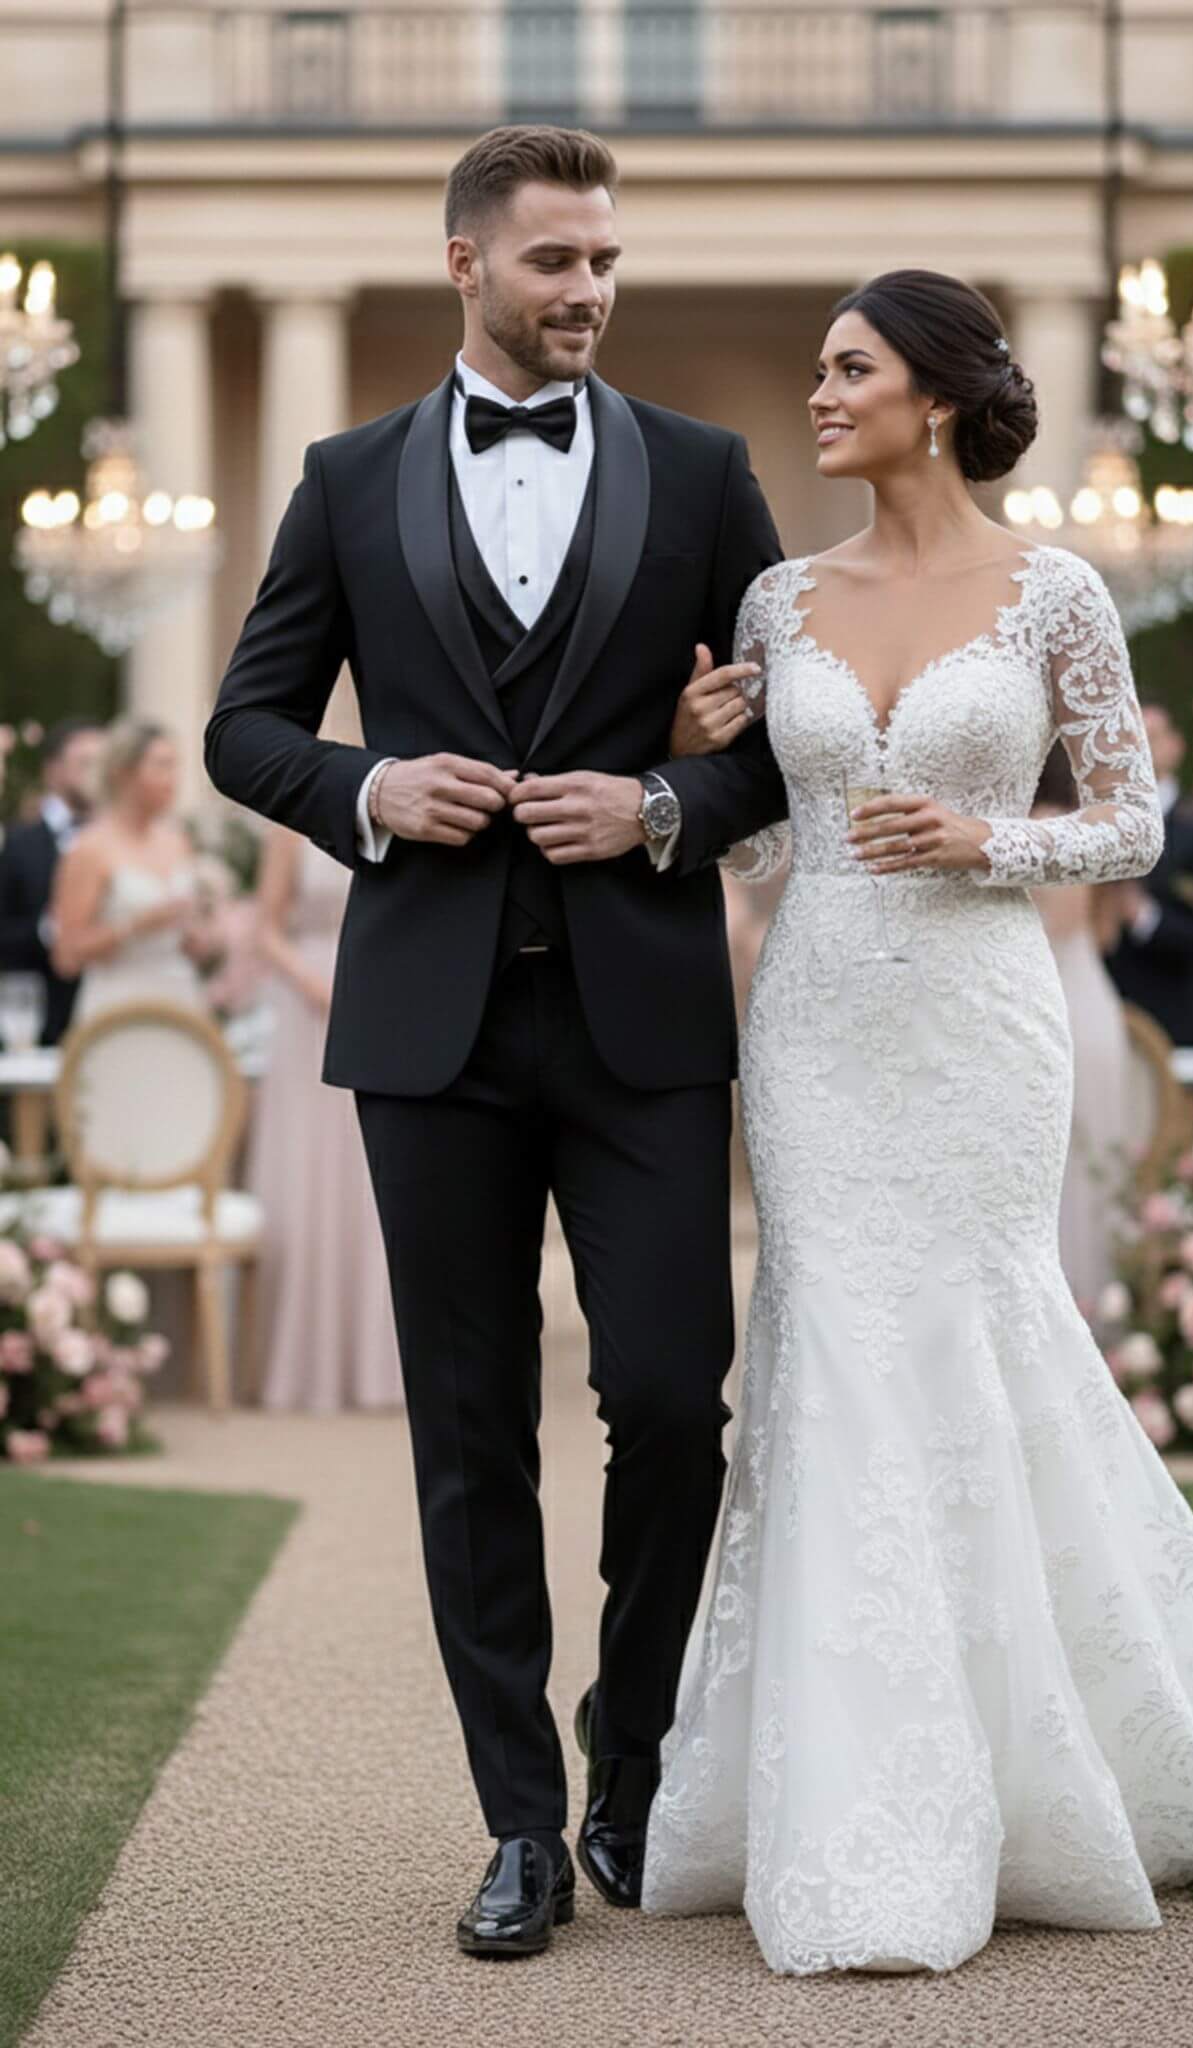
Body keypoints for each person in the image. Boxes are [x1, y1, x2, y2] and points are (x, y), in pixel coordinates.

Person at [642, 270, 1193, 1975]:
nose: (819, 396)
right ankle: (838, 1789)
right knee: (829, 1345)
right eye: (817, 368)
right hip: (816, 1022)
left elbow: (1131, 819)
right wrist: (698, 755)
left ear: (940, 395)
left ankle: (1039, 1761)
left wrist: (993, 848)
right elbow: (762, 856)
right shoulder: (775, 597)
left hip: (978, 1025)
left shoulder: (1056, 593)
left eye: (849, 369)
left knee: (977, 1340)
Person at [204, 125, 786, 1957]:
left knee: (673, 1402)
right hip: (426, 1022)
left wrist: (668, 808)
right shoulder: (347, 476)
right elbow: (245, 726)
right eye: (556, 263)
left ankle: (631, 1748)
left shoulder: (704, 474)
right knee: (468, 1433)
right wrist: (369, 783)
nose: (591, 292)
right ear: (467, 262)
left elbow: (787, 742)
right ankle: (522, 1821)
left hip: (643, 1022)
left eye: (606, 260)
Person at [244, 683, 404, 1412]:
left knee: (372, 1187)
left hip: (378, 994)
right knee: (306, 1182)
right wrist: (311, 982)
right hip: (306, 1006)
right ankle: (299, 1367)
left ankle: (378, 1366)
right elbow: (264, 927)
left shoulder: (405, 814)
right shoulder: (289, 828)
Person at [1030, 744, 1138, 1317]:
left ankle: (1074, 1310)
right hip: (1091, 1001)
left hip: (1062, 1006)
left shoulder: (1049, 827)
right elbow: (1109, 931)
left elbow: (1066, 920)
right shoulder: (1090, 826)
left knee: (1072, 1171)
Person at [51, 719, 216, 1024]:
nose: (173, 780)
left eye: (175, 767)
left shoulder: (177, 841)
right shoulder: (89, 848)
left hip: (180, 1001)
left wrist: (198, 936)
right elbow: (67, 956)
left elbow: (193, 937)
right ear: (123, 773)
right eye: (162, 767)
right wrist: (135, 927)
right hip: (117, 1006)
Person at [1105, 702, 1193, 1046]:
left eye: (1153, 736)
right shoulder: (1101, 818)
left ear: (1176, 745)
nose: (1142, 746)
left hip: (1173, 1018)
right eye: (1133, 737)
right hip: (1107, 1007)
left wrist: (1145, 917)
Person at [0, 718, 104, 1042]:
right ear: (53, 770)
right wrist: (46, 930)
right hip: (38, 1023)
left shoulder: (123, 843)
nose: (97, 773)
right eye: (85, 763)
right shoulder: (16, 844)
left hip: (111, 1014)